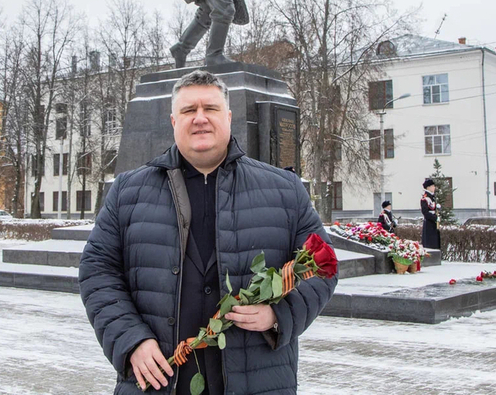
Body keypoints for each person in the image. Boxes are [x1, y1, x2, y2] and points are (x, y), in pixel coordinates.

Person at [79, 70, 336, 395]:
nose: (199, 118)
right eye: (189, 110)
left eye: (210, 108)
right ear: (174, 121)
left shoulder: (284, 189)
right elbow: (97, 272)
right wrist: (131, 341)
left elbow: (323, 267)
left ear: (228, 116)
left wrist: (278, 316)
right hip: (158, 381)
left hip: (257, 381)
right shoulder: (128, 191)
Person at [420, 178, 441, 249]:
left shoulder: (432, 196)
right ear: (428, 187)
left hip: (433, 223)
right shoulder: (425, 197)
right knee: (430, 242)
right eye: (432, 186)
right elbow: (425, 212)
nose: (434, 187)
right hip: (429, 223)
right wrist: (434, 217)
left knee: (435, 241)